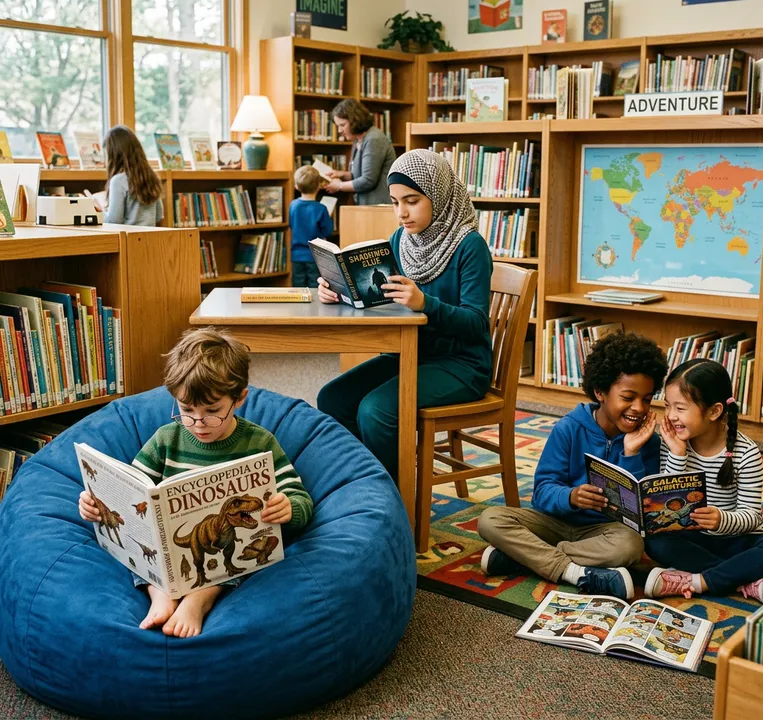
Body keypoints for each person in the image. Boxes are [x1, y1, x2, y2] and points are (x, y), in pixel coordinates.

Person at [78, 328, 313, 637]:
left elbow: (300, 497)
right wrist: (96, 503)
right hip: (170, 553)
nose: (198, 423)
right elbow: (130, 489)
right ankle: (160, 596)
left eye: (212, 411)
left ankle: (199, 600)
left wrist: (288, 509)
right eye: (187, 411)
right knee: (137, 552)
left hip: (224, 548)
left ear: (239, 398)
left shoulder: (259, 442)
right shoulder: (166, 439)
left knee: (245, 559)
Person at [316, 149, 493, 482]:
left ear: (438, 195)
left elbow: (477, 324)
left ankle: (393, 502)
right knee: (332, 399)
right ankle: (359, 485)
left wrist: (425, 303)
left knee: (376, 410)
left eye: (411, 201)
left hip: (461, 365)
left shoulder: (470, 246)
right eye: (395, 202)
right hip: (409, 353)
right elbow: (381, 299)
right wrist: (338, 288)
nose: (401, 213)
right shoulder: (401, 240)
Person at [478, 331, 668, 600]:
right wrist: (571, 496)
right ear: (600, 391)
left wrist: (631, 451)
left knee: (631, 546)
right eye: (628, 397)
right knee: (490, 520)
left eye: (647, 399)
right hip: (555, 522)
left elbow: (641, 512)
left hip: (605, 532)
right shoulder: (569, 428)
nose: (638, 408)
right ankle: (573, 571)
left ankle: (523, 557)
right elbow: (542, 492)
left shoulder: (649, 442)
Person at [644, 359, 763, 603]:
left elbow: (752, 517)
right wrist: (677, 454)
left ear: (714, 411)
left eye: (681, 408)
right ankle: (743, 578)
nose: (671, 416)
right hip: (696, 540)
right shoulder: (672, 442)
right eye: (667, 406)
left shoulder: (745, 453)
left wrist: (721, 519)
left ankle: (698, 581)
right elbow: (667, 502)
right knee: (654, 542)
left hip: (739, 540)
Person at [323, 99, 395, 205]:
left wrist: (339, 186)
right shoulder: (358, 140)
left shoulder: (373, 139)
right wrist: (341, 174)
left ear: (355, 121)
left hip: (380, 207)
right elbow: (358, 175)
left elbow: (368, 180)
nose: (339, 131)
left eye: (342, 125)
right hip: (367, 205)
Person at [102, 125, 164, 226]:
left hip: (128, 240)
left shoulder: (118, 181)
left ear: (114, 155)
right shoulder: (151, 177)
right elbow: (159, 215)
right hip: (149, 239)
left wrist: (100, 210)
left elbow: (114, 222)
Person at [290, 165, 333, 288]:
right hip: (314, 256)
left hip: (296, 255)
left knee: (298, 285)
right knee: (315, 285)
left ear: (297, 186)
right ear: (319, 186)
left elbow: (291, 224)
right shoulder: (321, 209)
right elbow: (327, 231)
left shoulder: (293, 205)